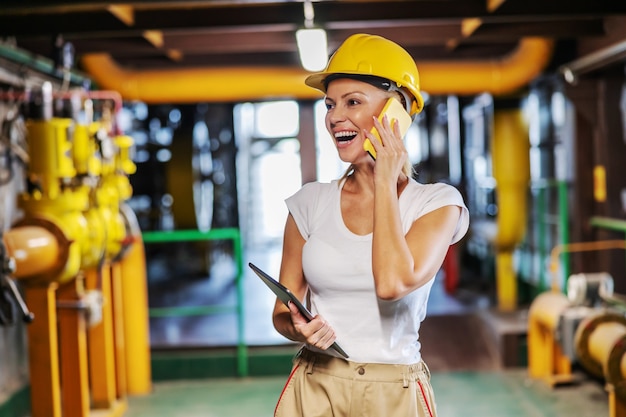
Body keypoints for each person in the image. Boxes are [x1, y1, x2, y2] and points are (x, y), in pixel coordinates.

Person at [271, 33, 469, 417]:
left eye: (353, 102)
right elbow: (283, 311)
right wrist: (298, 329)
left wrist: (383, 178)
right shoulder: (308, 203)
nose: (333, 117)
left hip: (393, 391)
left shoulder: (437, 204)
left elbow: (392, 283)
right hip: (314, 384)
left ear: (398, 111)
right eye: (330, 104)